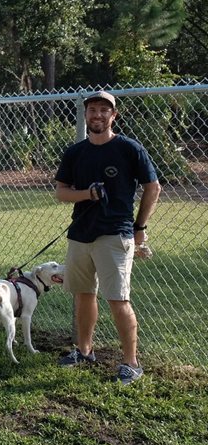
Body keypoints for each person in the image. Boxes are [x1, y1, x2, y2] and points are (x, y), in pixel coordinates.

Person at [54, 91, 160, 384]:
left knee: (118, 299)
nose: (97, 115)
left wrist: (140, 226)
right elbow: (61, 192)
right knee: (84, 295)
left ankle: (131, 363)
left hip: (115, 235)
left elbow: (153, 187)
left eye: (104, 110)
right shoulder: (75, 152)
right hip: (80, 234)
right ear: (85, 115)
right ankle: (84, 350)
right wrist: (86, 193)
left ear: (114, 115)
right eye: (92, 110)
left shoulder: (129, 149)